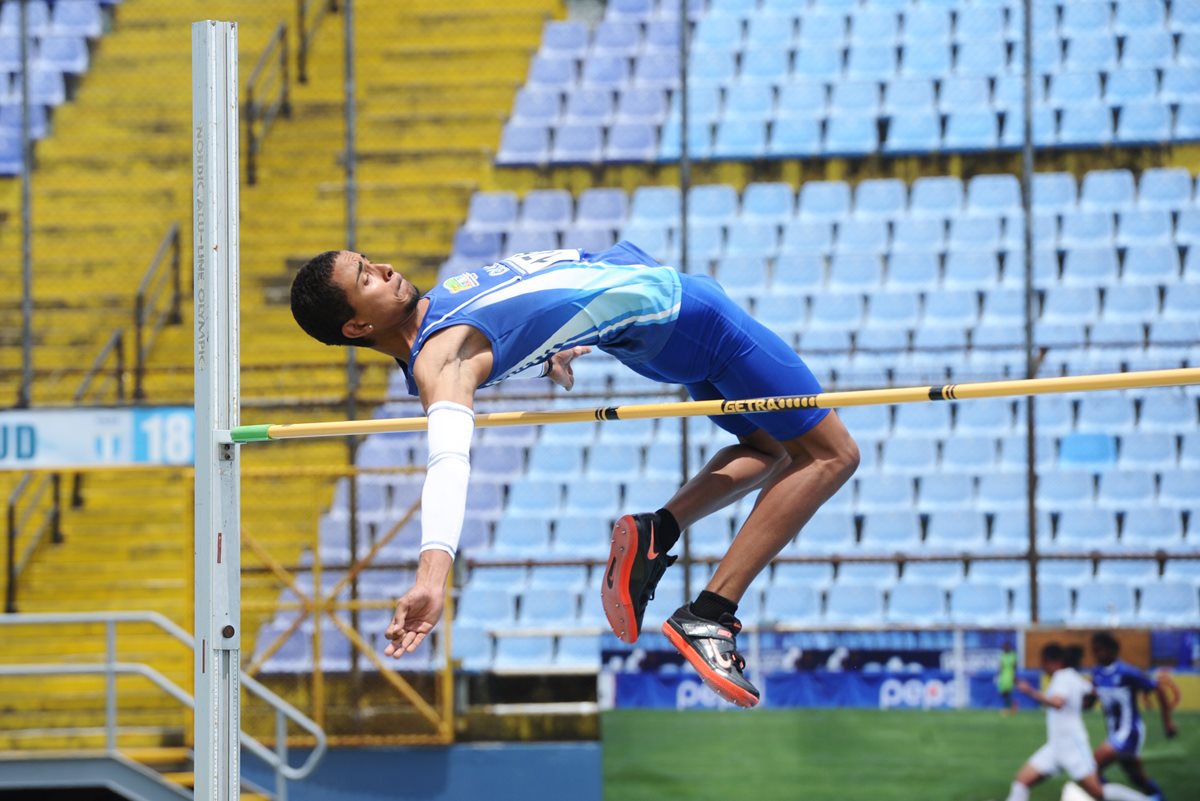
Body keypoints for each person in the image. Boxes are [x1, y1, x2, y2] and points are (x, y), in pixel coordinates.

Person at [289, 242, 860, 707]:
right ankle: (710, 614)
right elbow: (448, 463)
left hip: (651, 331)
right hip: (689, 317)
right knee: (831, 455)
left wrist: (553, 346)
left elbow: (537, 297)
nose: (384, 267)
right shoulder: (442, 361)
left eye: (369, 261)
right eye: (366, 278)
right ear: (359, 327)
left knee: (772, 450)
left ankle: (658, 530)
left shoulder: (445, 303)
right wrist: (432, 577)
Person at [1001, 643, 1156, 801]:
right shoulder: (1073, 676)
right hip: (1056, 746)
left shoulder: (1062, 677)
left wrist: (1029, 691)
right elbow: (1091, 690)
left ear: (1053, 662)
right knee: (1021, 782)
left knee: (1098, 792)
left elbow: (1058, 702)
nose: (1043, 668)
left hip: (1072, 746)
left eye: (1043, 663)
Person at [1089, 631, 1179, 799]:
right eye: (1094, 650)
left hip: (1129, 732)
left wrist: (1167, 722)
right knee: (1137, 778)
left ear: (1112, 650)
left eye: (1100, 650)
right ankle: (1157, 797)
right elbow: (1088, 703)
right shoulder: (1097, 674)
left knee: (1089, 769)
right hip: (1114, 733)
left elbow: (1158, 688)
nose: (1096, 654)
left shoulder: (1127, 672)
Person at [998, 641, 1018, 715]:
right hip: (1003, 676)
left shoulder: (1012, 655)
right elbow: (1000, 666)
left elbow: (1015, 666)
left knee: (1008, 692)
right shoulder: (1002, 655)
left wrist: (1014, 675)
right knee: (1003, 693)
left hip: (1010, 675)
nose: (1005, 649)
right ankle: (1013, 704)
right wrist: (998, 675)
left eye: (1006, 647)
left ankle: (1006, 708)